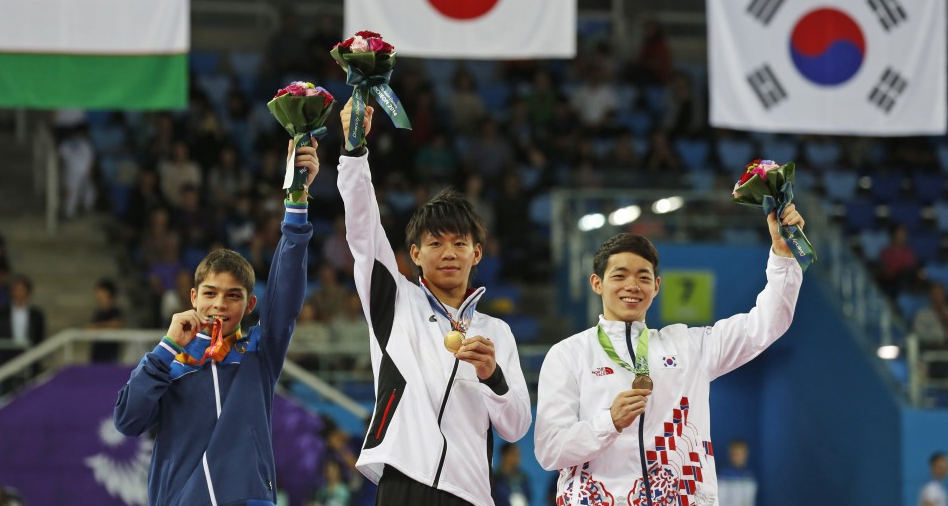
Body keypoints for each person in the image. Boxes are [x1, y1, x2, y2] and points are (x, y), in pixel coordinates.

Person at [534, 203, 805, 505]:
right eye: (620, 276)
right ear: (597, 284)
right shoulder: (569, 355)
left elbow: (767, 324)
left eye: (644, 277)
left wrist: (783, 256)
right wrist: (608, 422)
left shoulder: (689, 348)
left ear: (657, 286)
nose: (632, 286)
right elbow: (549, 450)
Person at [336, 100, 531, 506]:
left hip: (470, 492)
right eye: (436, 243)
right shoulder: (394, 300)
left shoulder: (497, 333)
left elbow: (515, 427)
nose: (448, 253)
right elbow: (362, 227)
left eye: (460, 243)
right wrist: (354, 151)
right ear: (415, 254)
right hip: (403, 480)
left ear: (477, 254)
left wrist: (492, 375)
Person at [113, 139, 318, 506]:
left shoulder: (259, 350)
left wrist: (296, 202)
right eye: (210, 294)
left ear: (250, 304)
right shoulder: (168, 361)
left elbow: (286, 293)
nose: (219, 305)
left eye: (233, 296)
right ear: (193, 297)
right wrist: (165, 349)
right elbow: (128, 421)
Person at [87, 278, 125, 363]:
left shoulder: (116, 311)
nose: (97, 293)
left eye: (99, 291)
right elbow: (90, 328)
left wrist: (98, 326)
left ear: (107, 292)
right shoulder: (98, 313)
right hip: (97, 354)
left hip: (110, 354)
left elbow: (116, 325)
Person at [716, 439, 757, 506]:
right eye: (736, 454)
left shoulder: (750, 476)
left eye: (742, 453)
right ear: (730, 454)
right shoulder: (722, 477)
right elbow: (720, 502)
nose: (739, 457)